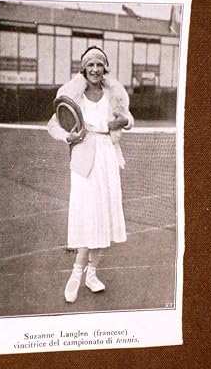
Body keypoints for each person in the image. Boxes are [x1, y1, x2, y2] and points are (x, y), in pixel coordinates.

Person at [47, 45, 134, 303]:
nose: (95, 69)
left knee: (104, 217)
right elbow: (53, 125)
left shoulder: (113, 93)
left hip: (108, 156)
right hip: (85, 159)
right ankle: (75, 274)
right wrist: (68, 136)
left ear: (104, 68)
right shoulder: (73, 94)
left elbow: (129, 119)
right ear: (83, 68)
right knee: (88, 217)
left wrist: (122, 122)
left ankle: (92, 274)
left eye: (99, 65)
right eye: (90, 65)